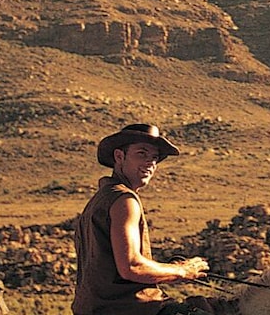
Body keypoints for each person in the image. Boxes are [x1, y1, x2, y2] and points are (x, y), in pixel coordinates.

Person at [73, 123, 212, 315]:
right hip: (131, 309)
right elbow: (132, 266)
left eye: (154, 157)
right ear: (119, 157)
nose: (150, 163)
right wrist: (182, 271)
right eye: (141, 154)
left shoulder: (99, 200)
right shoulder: (124, 200)